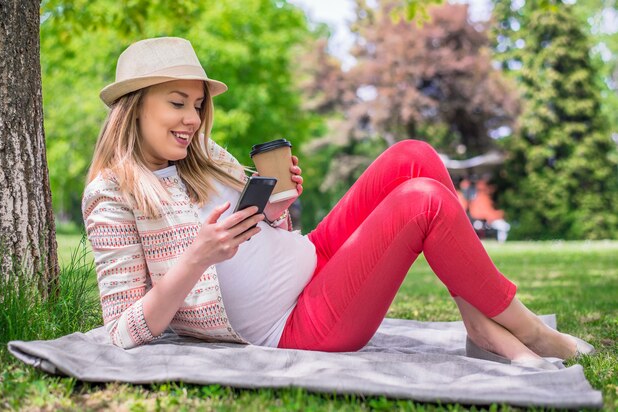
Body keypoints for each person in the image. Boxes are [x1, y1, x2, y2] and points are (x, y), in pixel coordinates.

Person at [83, 37, 592, 367]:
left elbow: (255, 237)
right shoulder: (111, 193)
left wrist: (272, 214)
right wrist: (197, 256)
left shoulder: (204, 152)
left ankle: (481, 326)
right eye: (176, 103)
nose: (192, 119)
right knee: (423, 202)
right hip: (297, 325)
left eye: (197, 105)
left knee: (413, 155)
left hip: (314, 262)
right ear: (135, 105)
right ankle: (528, 331)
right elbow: (124, 331)